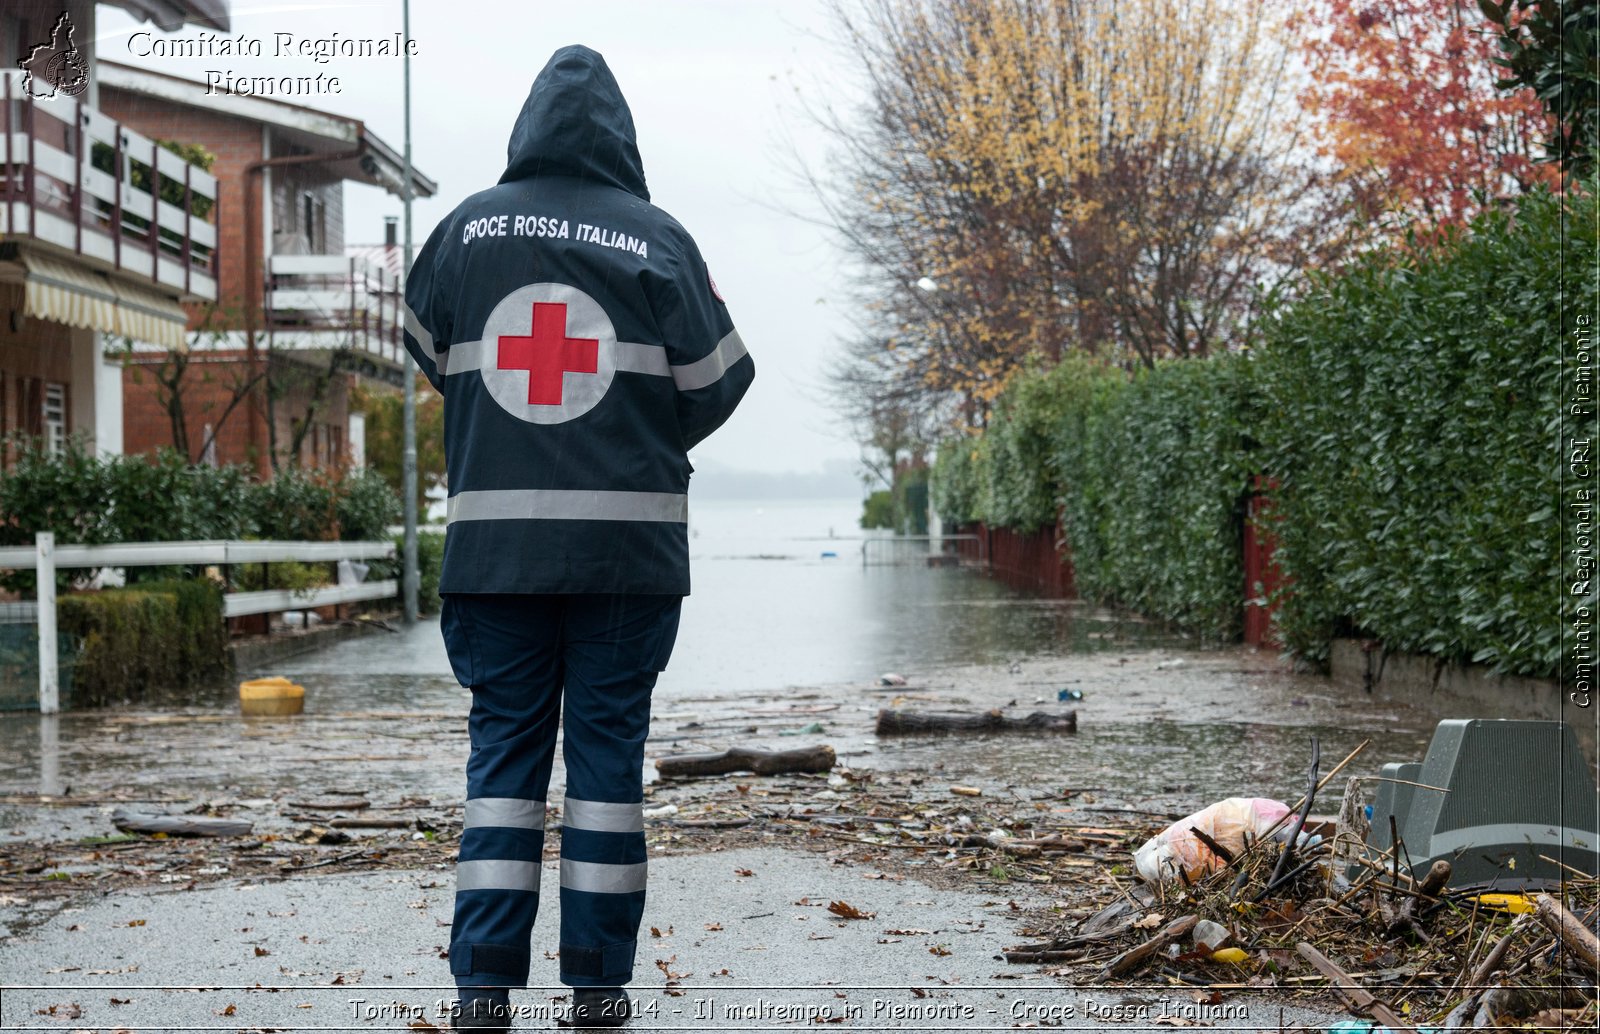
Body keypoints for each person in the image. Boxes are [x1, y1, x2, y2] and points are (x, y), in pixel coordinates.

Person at [401, 44, 754, 1031]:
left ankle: (480, 988)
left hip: (492, 559)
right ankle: (597, 981)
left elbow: (430, 353)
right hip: (624, 561)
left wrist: (509, 430)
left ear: (524, 128)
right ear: (621, 135)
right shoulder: (658, 238)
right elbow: (719, 382)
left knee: (501, 770)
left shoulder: (464, 231)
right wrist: (629, 434)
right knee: (605, 772)